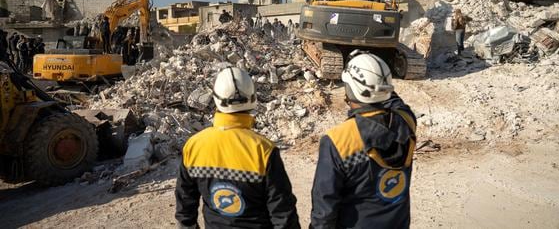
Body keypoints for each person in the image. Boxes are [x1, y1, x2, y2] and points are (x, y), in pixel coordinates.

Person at [175, 67, 299, 228]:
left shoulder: (194, 146)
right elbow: (282, 212)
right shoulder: (263, 150)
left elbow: (185, 209)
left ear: (215, 99)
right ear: (253, 99)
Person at [310, 51, 417, 228]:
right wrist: (379, 78)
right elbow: (396, 103)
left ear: (350, 89)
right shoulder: (406, 122)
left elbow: (325, 208)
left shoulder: (338, 140)